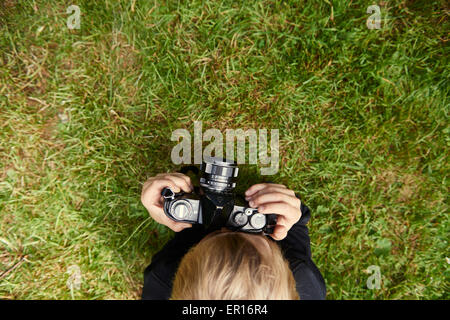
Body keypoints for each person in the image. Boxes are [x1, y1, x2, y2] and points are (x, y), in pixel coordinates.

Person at [140, 173, 326, 300]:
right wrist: (291, 212)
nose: (226, 226)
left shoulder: (162, 278)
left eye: (218, 233)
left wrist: (166, 202)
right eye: (246, 231)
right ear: (286, 268)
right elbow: (297, 231)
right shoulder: (305, 280)